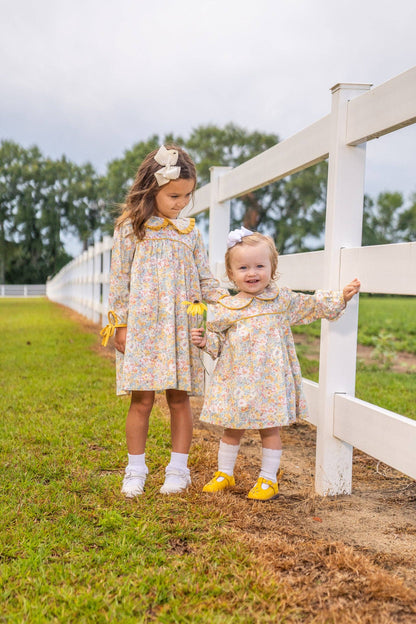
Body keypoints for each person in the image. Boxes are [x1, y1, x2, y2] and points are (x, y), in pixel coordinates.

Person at [191, 227, 360, 501]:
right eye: (243, 267)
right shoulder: (226, 308)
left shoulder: (281, 300)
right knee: (231, 427)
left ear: (272, 268)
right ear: (231, 274)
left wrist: (340, 297)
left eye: (259, 265)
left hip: (270, 381)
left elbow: (312, 305)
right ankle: (224, 473)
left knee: (270, 428)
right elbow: (217, 344)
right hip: (236, 381)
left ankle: (268, 479)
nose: (252, 273)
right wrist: (203, 342)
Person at [102, 145, 226, 498]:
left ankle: (178, 470)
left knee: (179, 399)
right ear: (151, 188)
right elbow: (119, 280)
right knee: (141, 399)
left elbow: (205, 279)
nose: (181, 202)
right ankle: (135, 469)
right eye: (174, 195)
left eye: (187, 195)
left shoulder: (190, 232)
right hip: (143, 328)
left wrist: (231, 304)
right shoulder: (132, 229)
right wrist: (120, 325)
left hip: (182, 328)